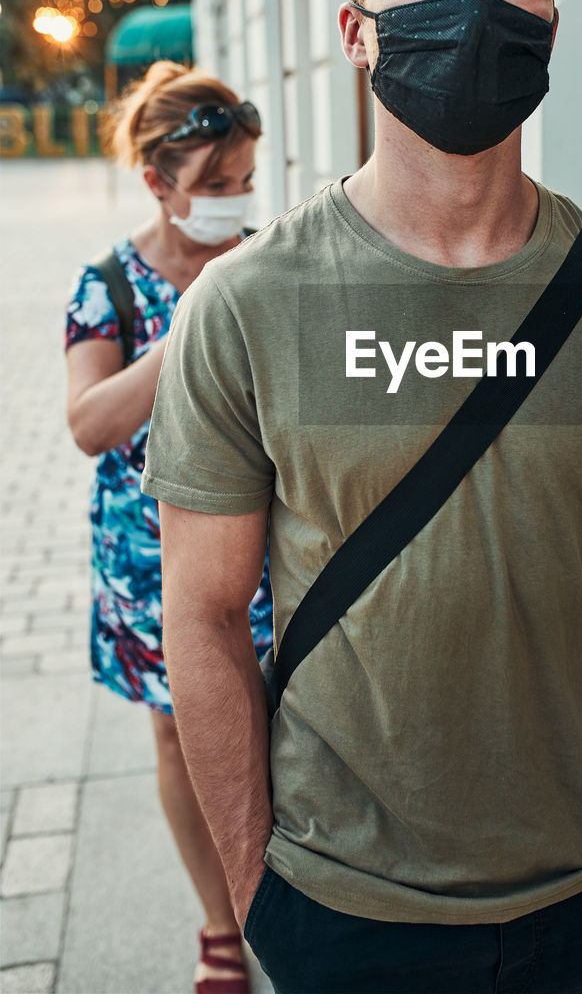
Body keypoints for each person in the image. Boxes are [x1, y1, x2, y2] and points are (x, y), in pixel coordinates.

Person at [142, 0, 582, 994]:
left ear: (550, 15)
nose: (479, 2)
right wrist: (251, 886)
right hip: (341, 904)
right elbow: (200, 614)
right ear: (357, 27)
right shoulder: (243, 307)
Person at [65, 60, 273, 994]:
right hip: (148, 563)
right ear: (158, 182)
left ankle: (281, 895)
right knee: (180, 738)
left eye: (245, 184)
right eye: (216, 187)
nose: (236, 203)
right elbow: (88, 423)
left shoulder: (265, 263)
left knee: (276, 725)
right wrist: (189, 322)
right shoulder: (106, 283)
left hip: (268, 551)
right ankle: (219, 924)